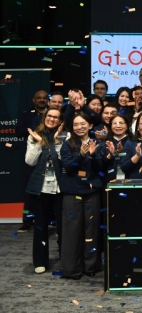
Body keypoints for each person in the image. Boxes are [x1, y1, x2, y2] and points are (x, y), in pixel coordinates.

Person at [59, 112, 106, 279]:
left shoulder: (98, 144)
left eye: (83, 124)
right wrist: (81, 155)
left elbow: (100, 168)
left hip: (92, 193)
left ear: (90, 126)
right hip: (72, 193)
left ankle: (91, 266)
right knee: (72, 232)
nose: (79, 127)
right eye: (76, 125)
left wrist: (92, 155)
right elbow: (68, 167)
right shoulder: (67, 145)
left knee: (91, 230)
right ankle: (72, 269)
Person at [24, 108, 65, 274]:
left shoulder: (65, 136)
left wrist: (56, 142)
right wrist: (39, 143)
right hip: (40, 189)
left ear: (60, 120)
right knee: (40, 226)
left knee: (64, 228)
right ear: (44, 117)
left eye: (56, 117)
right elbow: (30, 161)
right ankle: (40, 262)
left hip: (60, 189)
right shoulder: (34, 136)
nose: (52, 119)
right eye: (49, 116)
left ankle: (65, 260)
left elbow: (64, 160)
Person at [16, 89, 50, 232]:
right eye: (39, 98)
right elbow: (19, 131)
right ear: (34, 100)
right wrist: (35, 131)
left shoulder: (53, 114)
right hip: (33, 155)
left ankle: (51, 220)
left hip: (49, 156)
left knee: (50, 190)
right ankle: (27, 221)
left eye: (44, 98)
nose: (42, 100)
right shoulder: (26, 114)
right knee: (31, 190)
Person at [104, 113, 133, 180]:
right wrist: (111, 154)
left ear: (127, 125)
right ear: (110, 126)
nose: (118, 126)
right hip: (109, 180)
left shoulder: (133, 143)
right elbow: (101, 165)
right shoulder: (105, 144)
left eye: (121, 123)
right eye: (115, 123)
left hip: (130, 180)